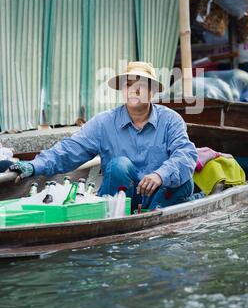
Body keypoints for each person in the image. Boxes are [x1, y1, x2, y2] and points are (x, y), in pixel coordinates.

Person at [9, 62, 198, 211]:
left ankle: (151, 216)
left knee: (184, 180)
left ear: (152, 91)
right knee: (119, 165)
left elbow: (186, 155)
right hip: (120, 198)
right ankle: (120, 217)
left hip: (160, 196)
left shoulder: (170, 120)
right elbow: (69, 150)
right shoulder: (104, 122)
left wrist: (160, 175)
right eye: (128, 85)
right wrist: (33, 166)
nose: (134, 90)